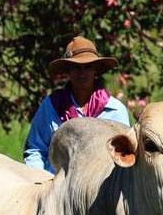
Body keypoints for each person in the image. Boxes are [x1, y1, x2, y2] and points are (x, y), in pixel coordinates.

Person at [23, 36, 131, 173]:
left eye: (88, 67)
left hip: (102, 185)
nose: (82, 73)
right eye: (76, 67)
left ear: (95, 70)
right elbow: (35, 149)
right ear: (68, 70)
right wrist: (40, 179)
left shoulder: (115, 110)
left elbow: (125, 157)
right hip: (54, 183)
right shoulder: (51, 105)